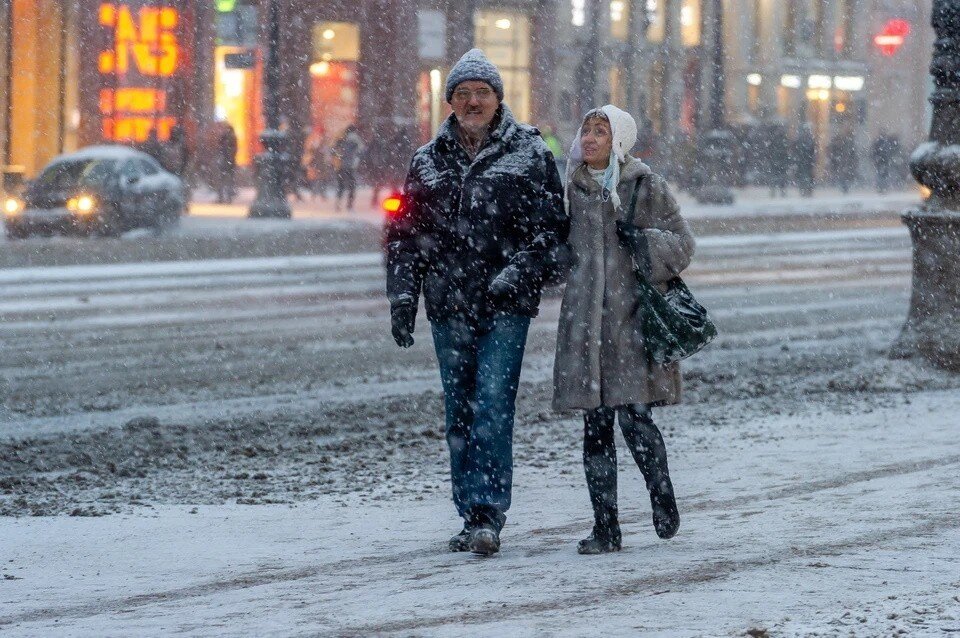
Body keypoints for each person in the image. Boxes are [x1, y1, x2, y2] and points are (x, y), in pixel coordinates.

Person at [385, 48, 568, 556]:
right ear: (450, 101)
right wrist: (403, 297)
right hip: (449, 305)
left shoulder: (529, 152)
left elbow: (552, 231)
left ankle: (488, 512)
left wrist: (518, 272)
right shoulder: (427, 160)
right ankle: (469, 514)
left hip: (505, 305)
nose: (472, 102)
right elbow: (405, 237)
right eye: (462, 93)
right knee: (459, 412)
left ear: (498, 99)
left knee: (491, 404)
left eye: (481, 93)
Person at [553, 105, 692, 554]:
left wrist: (645, 243)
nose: (590, 138)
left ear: (620, 140)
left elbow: (683, 245)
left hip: (631, 323)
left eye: (601, 131)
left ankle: (662, 497)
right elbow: (555, 247)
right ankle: (605, 528)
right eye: (586, 130)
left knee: (636, 420)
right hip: (584, 326)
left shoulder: (643, 184)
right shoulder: (569, 188)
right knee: (595, 428)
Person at [333, 125, 365, 211]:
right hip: (351, 166)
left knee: (341, 186)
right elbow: (361, 152)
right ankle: (350, 205)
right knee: (352, 186)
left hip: (340, 166)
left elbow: (335, 151)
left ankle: (338, 204)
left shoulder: (341, 140)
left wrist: (339, 158)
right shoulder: (356, 140)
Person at [214, 122, 238, 204]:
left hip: (226, 160)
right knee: (228, 180)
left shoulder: (227, 137)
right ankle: (227, 198)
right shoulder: (230, 137)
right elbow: (234, 149)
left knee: (223, 179)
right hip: (228, 161)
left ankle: (222, 198)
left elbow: (221, 147)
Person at [794, 124, 817, 198]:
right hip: (802, 162)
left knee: (809, 176)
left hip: (808, 162)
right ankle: (803, 190)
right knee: (802, 176)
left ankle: (809, 190)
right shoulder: (800, 141)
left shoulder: (810, 140)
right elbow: (796, 151)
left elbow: (813, 152)